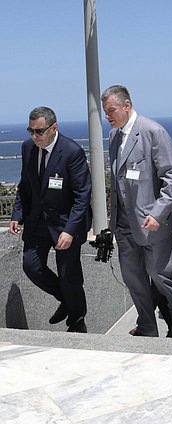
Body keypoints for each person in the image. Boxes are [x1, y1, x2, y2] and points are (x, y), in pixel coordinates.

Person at [102, 84, 172, 338]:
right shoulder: (113, 136)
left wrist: (158, 213)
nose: (108, 116)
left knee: (159, 273)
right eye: (105, 112)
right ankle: (147, 326)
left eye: (111, 110)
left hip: (153, 220)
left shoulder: (152, 131)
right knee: (133, 278)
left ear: (126, 105)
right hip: (124, 223)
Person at [9, 106, 92, 333]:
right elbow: (25, 185)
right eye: (31, 131)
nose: (34, 136)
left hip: (66, 224)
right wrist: (17, 214)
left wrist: (70, 230)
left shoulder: (72, 151)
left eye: (39, 131)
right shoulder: (27, 148)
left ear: (54, 128)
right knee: (31, 266)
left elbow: (83, 195)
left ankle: (77, 321)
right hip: (37, 222)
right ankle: (65, 299)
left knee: (69, 275)